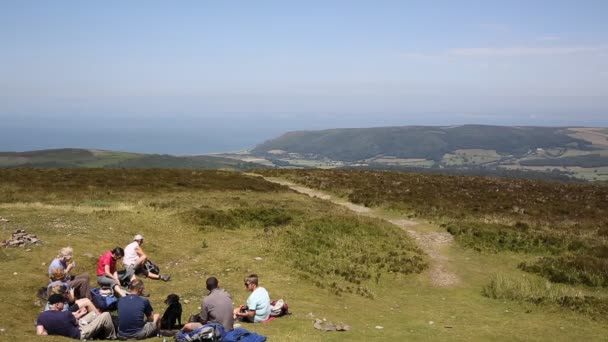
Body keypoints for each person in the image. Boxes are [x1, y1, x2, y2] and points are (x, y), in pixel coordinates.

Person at [36, 293, 116, 340]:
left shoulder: (41, 316)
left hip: (73, 329)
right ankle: (111, 337)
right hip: (80, 334)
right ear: (57, 305)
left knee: (93, 314)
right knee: (106, 315)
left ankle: (100, 328)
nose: (64, 304)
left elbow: (40, 333)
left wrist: (51, 331)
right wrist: (79, 314)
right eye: (62, 302)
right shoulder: (66, 314)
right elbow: (77, 323)